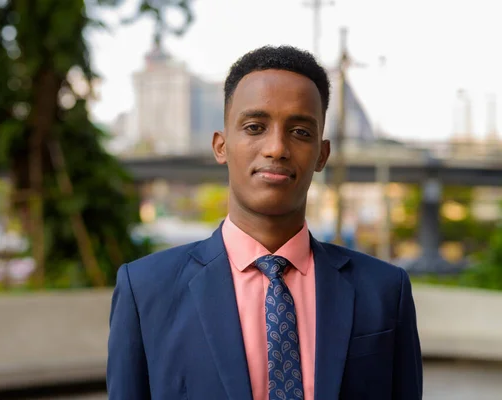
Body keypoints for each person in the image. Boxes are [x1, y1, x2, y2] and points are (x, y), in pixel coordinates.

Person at [107, 45, 423, 400]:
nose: (276, 148)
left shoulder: (384, 291)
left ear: (322, 154)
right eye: (255, 126)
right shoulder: (147, 290)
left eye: (301, 132)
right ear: (221, 146)